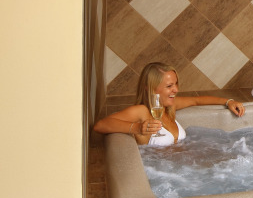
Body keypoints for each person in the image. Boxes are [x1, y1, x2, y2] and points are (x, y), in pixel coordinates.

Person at [93, 62, 245, 145]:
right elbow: (100, 125)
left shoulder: (169, 107)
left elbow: (196, 100)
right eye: (169, 86)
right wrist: (137, 128)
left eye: (176, 84)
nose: (176, 89)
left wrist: (228, 101)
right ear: (150, 88)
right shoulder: (141, 111)